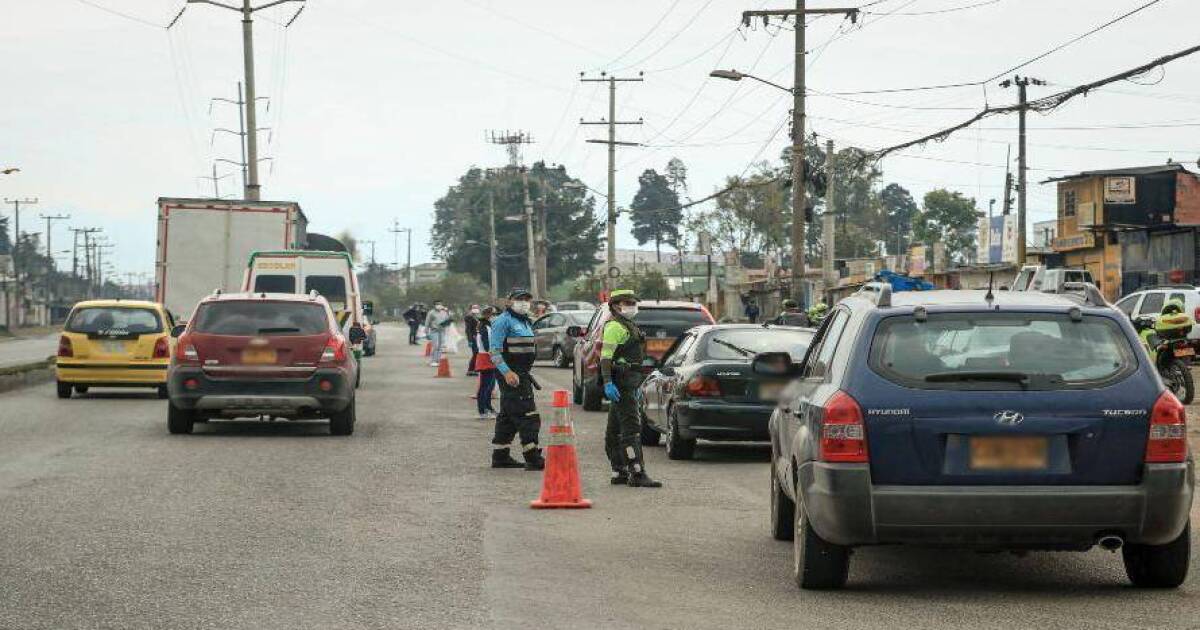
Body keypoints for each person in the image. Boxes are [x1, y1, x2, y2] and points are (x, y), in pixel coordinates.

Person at [600, 289, 662, 488]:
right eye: (628, 303)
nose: (632, 306)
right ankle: (637, 472)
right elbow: (605, 358)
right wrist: (608, 381)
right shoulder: (615, 327)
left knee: (615, 429)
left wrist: (638, 382)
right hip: (622, 382)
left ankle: (619, 470)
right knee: (631, 430)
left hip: (630, 381)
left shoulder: (628, 325)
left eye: (634, 302)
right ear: (616, 306)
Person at [487, 288, 545, 471]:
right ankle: (532, 456)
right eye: (520, 299)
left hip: (522, 373)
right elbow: (494, 352)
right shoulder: (502, 322)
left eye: (527, 299)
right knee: (528, 415)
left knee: (508, 415)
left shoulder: (525, 321)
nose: (524, 303)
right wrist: (506, 372)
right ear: (509, 301)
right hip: (512, 375)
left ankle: (500, 455)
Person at [473, 306, 499, 420]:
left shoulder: (489, 326)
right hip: (485, 357)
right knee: (485, 386)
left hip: (490, 356)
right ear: (488, 315)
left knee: (491, 385)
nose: (496, 316)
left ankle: (488, 407)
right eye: (494, 314)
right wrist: (494, 355)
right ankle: (482, 410)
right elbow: (486, 344)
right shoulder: (484, 327)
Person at [424, 301, 453, 367]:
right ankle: (433, 360)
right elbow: (427, 322)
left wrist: (448, 313)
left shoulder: (444, 312)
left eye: (440, 304)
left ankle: (438, 360)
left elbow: (448, 320)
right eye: (437, 304)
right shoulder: (431, 312)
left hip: (442, 331)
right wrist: (426, 332)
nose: (439, 306)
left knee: (440, 346)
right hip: (434, 331)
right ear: (434, 305)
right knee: (436, 346)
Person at [464, 304, 481, 376]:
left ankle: (474, 369)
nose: (475, 309)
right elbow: (468, 330)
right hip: (473, 337)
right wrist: (470, 340)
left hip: (478, 337)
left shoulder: (478, 317)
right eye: (474, 308)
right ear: (470, 309)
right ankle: (470, 369)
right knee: (476, 353)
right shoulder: (469, 317)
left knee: (477, 354)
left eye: (477, 308)